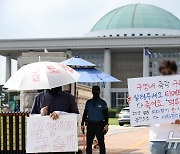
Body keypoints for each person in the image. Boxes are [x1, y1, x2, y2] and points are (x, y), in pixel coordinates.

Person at [128, 60, 180, 154]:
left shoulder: (178, 91)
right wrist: (133, 102)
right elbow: (141, 110)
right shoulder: (152, 90)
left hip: (175, 139)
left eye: (169, 72)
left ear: (175, 73)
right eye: (164, 73)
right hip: (156, 139)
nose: (167, 75)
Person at [81, 86, 109, 154]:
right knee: (89, 143)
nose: (95, 92)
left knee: (101, 143)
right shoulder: (88, 102)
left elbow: (106, 115)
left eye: (96, 91)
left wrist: (106, 124)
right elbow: (85, 113)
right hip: (90, 125)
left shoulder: (103, 103)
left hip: (99, 125)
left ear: (99, 92)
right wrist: (82, 123)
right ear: (92, 92)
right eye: (94, 90)